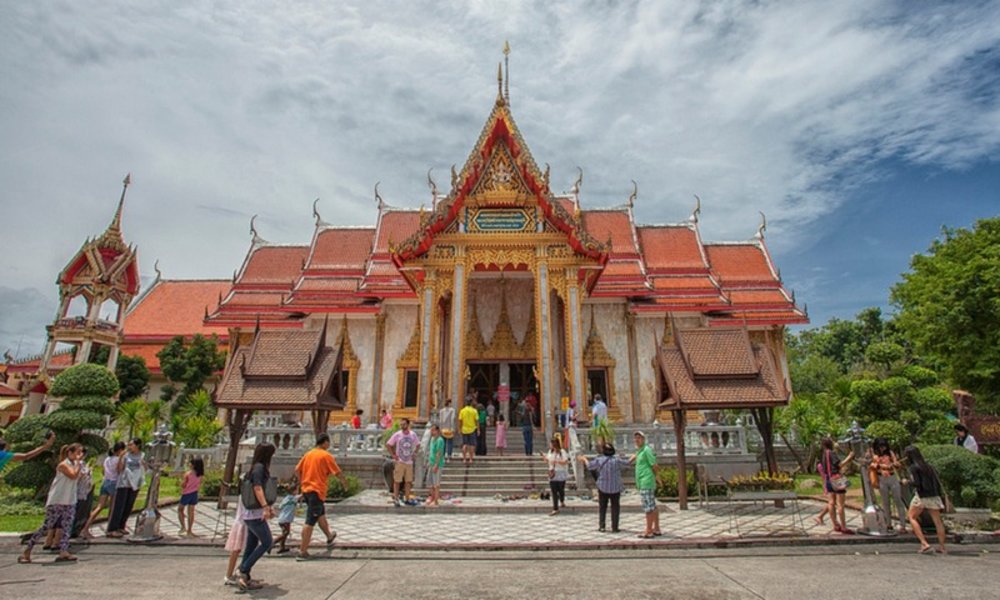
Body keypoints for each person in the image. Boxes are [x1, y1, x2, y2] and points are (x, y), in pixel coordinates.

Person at [20, 443, 83, 563]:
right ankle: (28, 550)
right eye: (77, 453)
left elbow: (76, 477)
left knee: (67, 526)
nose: (79, 455)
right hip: (57, 500)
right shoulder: (63, 465)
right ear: (70, 453)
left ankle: (63, 550)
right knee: (47, 525)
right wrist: (79, 464)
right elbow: (73, 476)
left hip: (69, 499)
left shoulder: (74, 464)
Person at [295, 433, 347, 560]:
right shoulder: (326, 455)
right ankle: (302, 551)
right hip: (316, 491)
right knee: (310, 521)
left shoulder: (308, 454)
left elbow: (297, 470)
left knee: (320, 515)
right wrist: (345, 483)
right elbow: (337, 472)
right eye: (328, 443)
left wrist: (302, 483)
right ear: (325, 442)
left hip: (307, 490)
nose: (329, 445)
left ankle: (329, 536)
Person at [238, 443, 276, 591]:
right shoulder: (259, 468)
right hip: (255, 514)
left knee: (251, 544)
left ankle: (244, 577)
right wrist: (266, 507)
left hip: (251, 513)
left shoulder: (256, 467)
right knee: (267, 542)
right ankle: (243, 568)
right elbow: (257, 488)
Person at [903, 445, 948, 554]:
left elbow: (917, 483)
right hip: (934, 495)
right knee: (937, 521)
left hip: (922, 495)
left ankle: (924, 543)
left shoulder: (913, 467)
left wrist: (907, 482)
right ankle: (942, 547)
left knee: (912, 517)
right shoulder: (929, 466)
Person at [579, 443, 629, 532]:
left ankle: (602, 526)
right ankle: (615, 527)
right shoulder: (616, 460)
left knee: (602, 507)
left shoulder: (600, 460)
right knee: (615, 508)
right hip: (615, 487)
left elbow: (590, 466)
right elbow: (627, 463)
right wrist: (634, 457)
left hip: (603, 487)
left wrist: (584, 459)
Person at [82, 441, 125, 538]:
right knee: (113, 508)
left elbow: (103, 471)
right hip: (114, 483)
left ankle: (85, 528)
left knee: (99, 507)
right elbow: (120, 470)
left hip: (105, 482)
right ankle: (110, 529)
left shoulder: (107, 459)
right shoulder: (119, 459)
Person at [106, 437, 145, 537]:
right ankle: (112, 528)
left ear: (138, 446)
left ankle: (121, 526)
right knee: (119, 506)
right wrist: (121, 458)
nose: (129, 447)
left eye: (132, 445)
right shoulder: (126, 456)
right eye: (129, 445)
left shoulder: (142, 455)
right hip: (124, 482)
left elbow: (144, 467)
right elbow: (119, 469)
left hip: (135, 483)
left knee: (128, 506)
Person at [868, 437, 907, 533]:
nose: (882, 448)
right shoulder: (874, 455)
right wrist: (882, 466)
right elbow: (872, 466)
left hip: (892, 478)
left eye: (884, 446)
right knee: (885, 502)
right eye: (880, 447)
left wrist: (895, 464)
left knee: (898, 500)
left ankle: (903, 525)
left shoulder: (890, 453)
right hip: (881, 478)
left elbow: (897, 464)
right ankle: (888, 523)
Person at [820, 437, 855, 535]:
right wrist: (849, 457)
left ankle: (835, 524)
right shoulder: (832, 453)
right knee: (840, 504)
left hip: (828, 478)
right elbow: (840, 465)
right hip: (837, 478)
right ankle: (843, 526)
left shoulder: (823, 454)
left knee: (831, 503)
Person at [630, 431, 661, 538]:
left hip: (646, 481)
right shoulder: (640, 451)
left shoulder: (647, 450)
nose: (637, 440)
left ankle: (648, 531)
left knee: (648, 507)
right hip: (644, 481)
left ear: (643, 439)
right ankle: (656, 528)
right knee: (652, 506)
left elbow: (654, 465)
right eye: (635, 438)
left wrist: (658, 477)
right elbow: (633, 458)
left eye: (639, 438)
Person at [387, 418, 421, 507]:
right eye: (401, 425)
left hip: (409, 461)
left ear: (408, 425)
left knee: (408, 481)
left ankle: (407, 498)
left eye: (404, 424)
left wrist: (415, 453)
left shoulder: (413, 435)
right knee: (397, 481)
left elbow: (418, 444)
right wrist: (393, 455)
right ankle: (396, 498)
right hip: (400, 461)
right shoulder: (397, 434)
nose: (402, 426)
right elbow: (389, 444)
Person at [222, 496, 248, 587]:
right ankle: (231, 574)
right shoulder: (246, 493)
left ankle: (235, 572)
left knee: (238, 549)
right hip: (243, 522)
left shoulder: (244, 493)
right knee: (237, 549)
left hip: (242, 521)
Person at [69, 447, 94, 539]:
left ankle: (78, 530)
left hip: (86, 490)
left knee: (83, 511)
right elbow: (76, 476)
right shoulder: (75, 464)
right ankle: (72, 530)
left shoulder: (83, 463)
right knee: (77, 511)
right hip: (78, 491)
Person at [178, 457, 205, 537]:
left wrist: (180, 483)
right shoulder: (200, 475)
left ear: (193, 465)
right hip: (194, 494)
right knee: (191, 513)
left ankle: (183, 527)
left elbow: (183, 485)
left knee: (180, 510)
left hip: (186, 494)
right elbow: (199, 484)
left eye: (190, 463)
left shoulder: (188, 474)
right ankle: (189, 530)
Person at [542, 438, 569, 516]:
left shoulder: (562, 452)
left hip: (560, 473)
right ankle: (555, 508)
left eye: (551, 444)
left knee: (561, 490)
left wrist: (556, 461)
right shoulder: (550, 452)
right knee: (554, 491)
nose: (550, 445)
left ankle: (562, 500)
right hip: (552, 472)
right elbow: (548, 460)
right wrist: (545, 458)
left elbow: (565, 461)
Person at [425, 425, 445, 507]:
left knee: (436, 484)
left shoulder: (440, 440)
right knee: (429, 483)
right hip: (431, 463)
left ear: (437, 431)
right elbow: (431, 452)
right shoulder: (432, 439)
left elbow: (439, 453)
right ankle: (432, 498)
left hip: (437, 464)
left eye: (433, 430)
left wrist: (436, 464)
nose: (431, 432)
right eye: (431, 430)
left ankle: (436, 500)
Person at [459, 399, 479, 464]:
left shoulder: (462, 411)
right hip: (472, 429)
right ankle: (471, 459)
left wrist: (459, 429)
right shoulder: (474, 411)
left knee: (464, 445)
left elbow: (460, 421)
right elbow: (477, 421)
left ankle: (464, 459)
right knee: (472, 445)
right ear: (471, 403)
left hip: (464, 429)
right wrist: (478, 429)